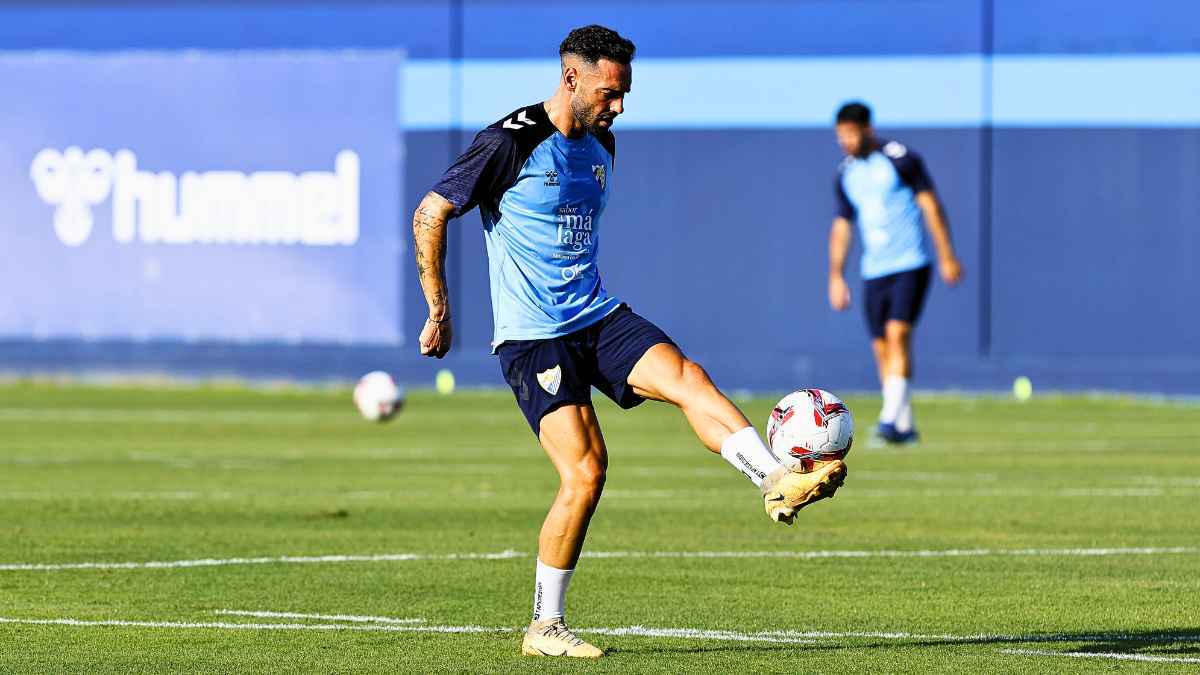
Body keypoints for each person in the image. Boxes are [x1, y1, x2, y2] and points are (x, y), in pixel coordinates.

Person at [411, 25, 846, 658]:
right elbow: (431, 211)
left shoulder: (602, 145)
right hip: (535, 337)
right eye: (611, 92)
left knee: (689, 378)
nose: (619, 107)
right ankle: (545, 626)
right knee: (586, 472)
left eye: (625, 94)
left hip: (598, 315)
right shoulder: (509, 143)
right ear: (571, 78)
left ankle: (774, 477)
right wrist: (440, 309)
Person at [827, 102, 964, 444]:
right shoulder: (845, 174)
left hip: (910, 263)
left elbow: (931, 205)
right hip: (874, 271)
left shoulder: (900, 159)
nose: (845, 141)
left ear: (867, 129)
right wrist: (835, 275)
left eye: (851, 133)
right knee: (882, 349)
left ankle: (889, 420)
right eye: (840, 135)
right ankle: (904, 424)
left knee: (898, 334)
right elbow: (842, 227)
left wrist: (947, 255)